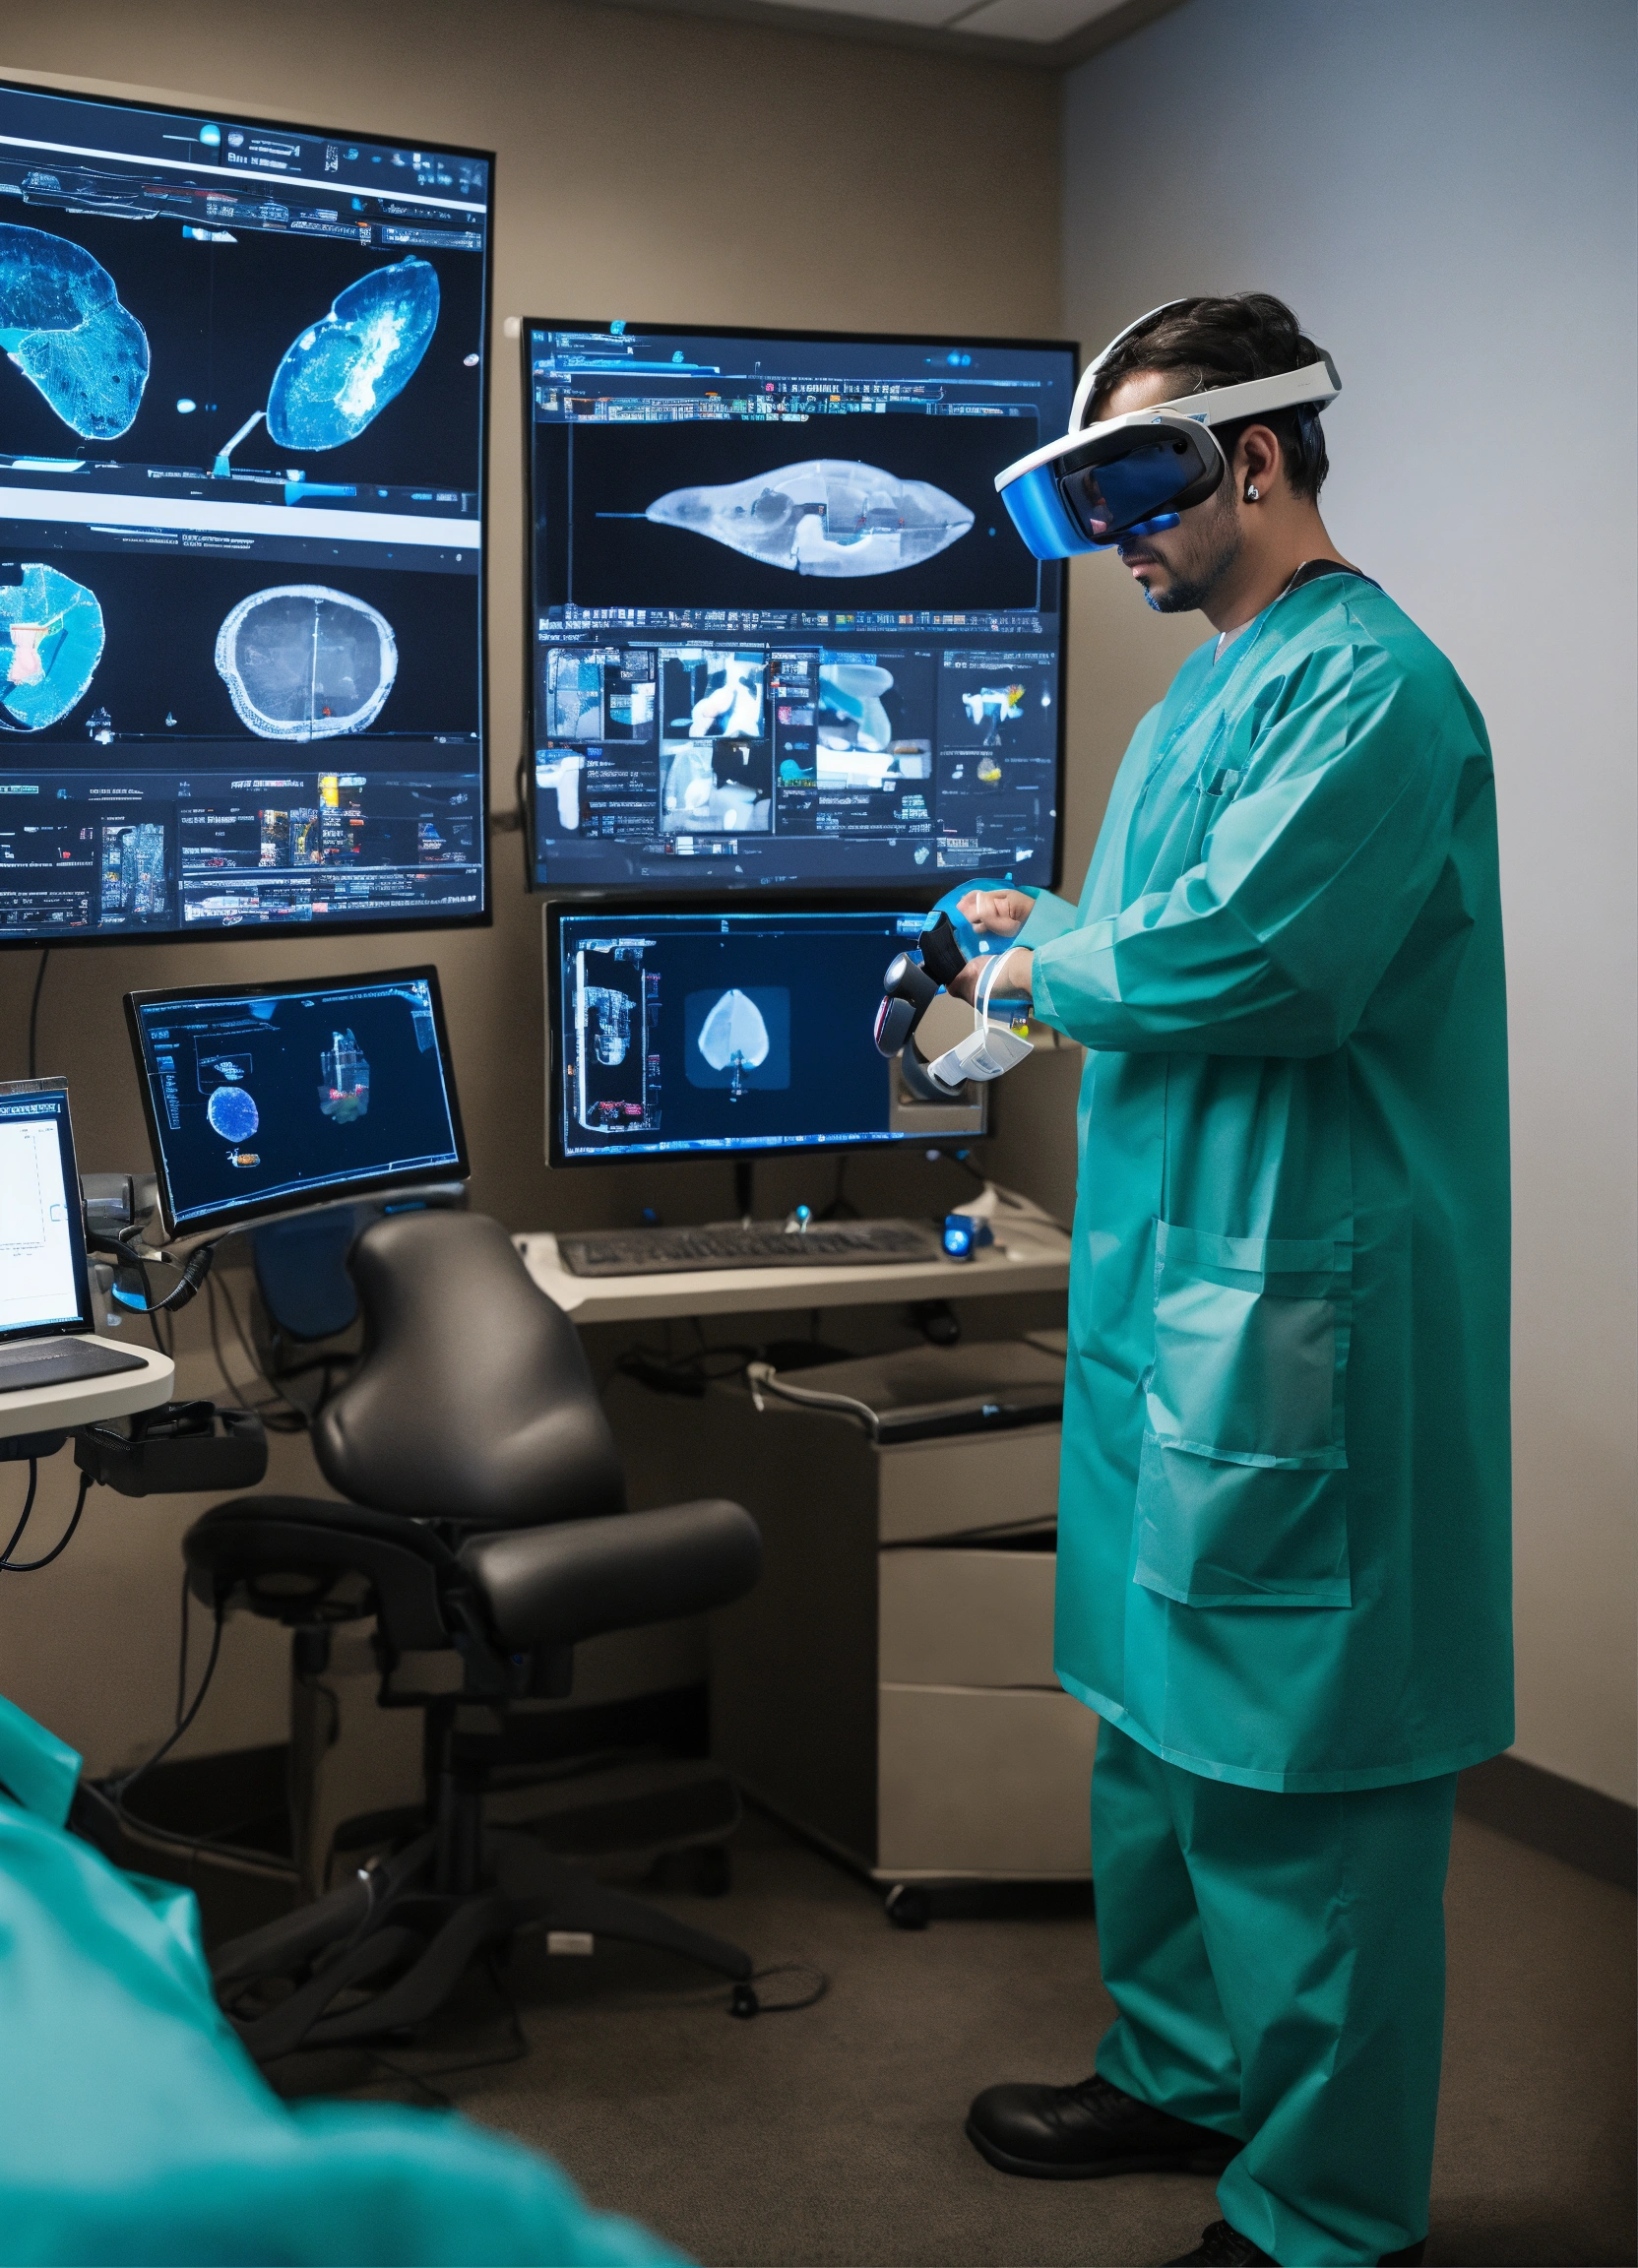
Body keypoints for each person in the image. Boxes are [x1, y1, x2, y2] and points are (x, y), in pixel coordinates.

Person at [951, 294, 1511, 2268]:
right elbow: (1177, 933)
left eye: (1133, 484)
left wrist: (1030, 976)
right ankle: (1179, 2073)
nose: (1114, 532)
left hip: (1303, 1315)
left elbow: (1266, 967)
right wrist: (1058, 929)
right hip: (1171, 1298)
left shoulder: (1375, 692)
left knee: (1299, 1779)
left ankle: (1322, 2215)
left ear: (1251, 458)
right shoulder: (1208, 692)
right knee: (1155, 1733)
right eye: (1085, 494)